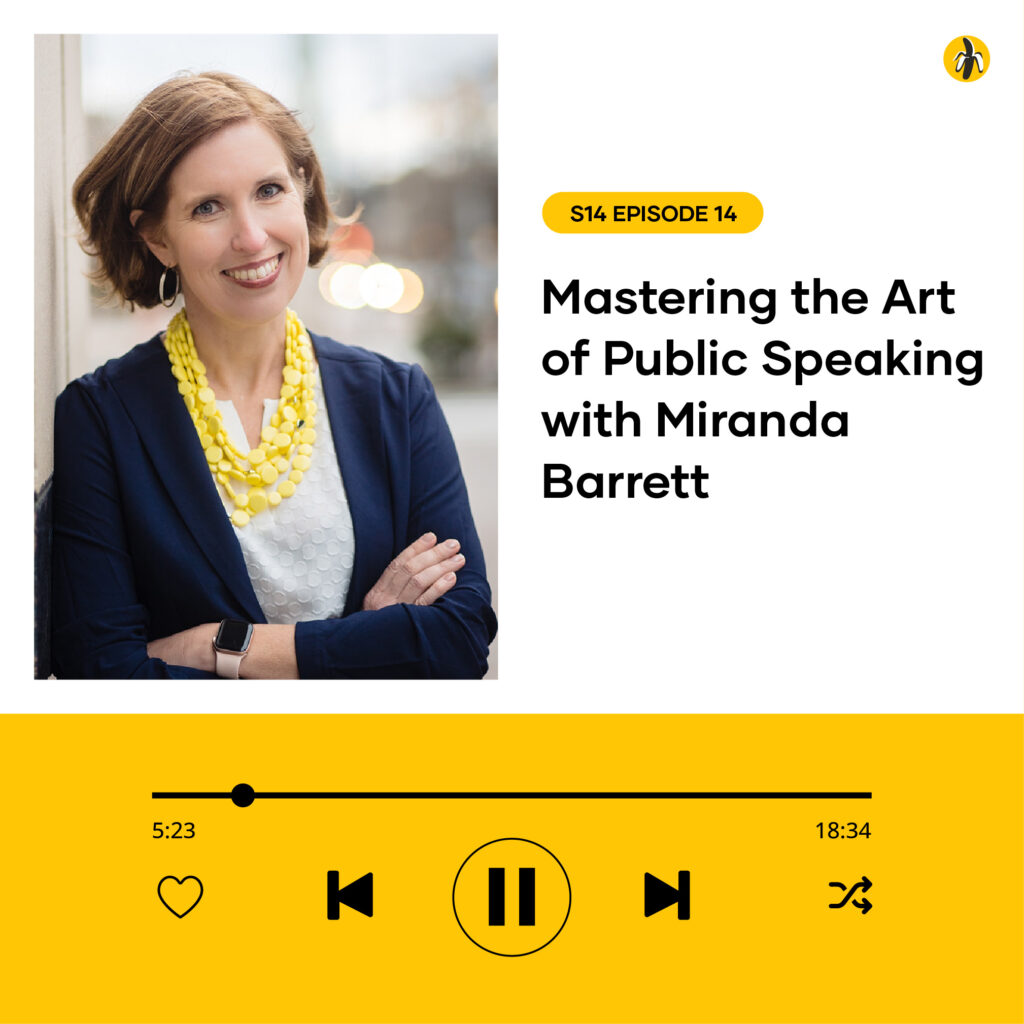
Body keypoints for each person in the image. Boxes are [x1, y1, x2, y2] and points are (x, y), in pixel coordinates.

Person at [52, 71, 496, 678]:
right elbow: (104, 677)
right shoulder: (101, 417)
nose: (252, 236)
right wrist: (367, 641)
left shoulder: (396, 398)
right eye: (207, 207)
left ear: (302, 190)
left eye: (268, 190)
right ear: (157, 237)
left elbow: (460, 640)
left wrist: (221, 647)